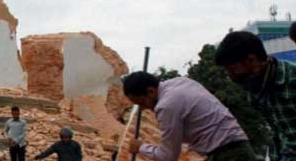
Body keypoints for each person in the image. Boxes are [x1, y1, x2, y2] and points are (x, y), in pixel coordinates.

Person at [122, 72, 254, 161]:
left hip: (227, 154)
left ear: (150, 91)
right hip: (238, 146)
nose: (143, 108)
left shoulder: (166, 105)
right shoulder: (181, 82)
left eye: (141, 103)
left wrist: (140, 147)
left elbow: (168, 156)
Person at [215, 31, 296, 160]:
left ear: (251, 60)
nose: (231, 77)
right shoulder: (255, 91)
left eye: (232, 69)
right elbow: (279, 136)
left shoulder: (292, 79)